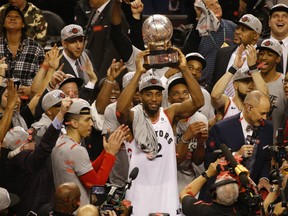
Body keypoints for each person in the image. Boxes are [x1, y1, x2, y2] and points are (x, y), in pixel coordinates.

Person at [116, 48, 204, 215]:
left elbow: (198, 102)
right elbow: (120, 111)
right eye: (148, 94)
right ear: (140, 96)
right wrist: (138, 73)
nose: (154, 99)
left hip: (166, 189)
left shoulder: (170, 114)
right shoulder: (135, 116)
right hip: (139, 191)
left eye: (157, 94)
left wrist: (184, 69)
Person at [1, 96, 72, 215]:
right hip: (32, 210)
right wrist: (60, 115)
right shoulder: (21, 160)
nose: (33, 141)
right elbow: (45, 146)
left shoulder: (16, 159)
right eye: (28, 140)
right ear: (21, 147)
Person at [51, 98, 129, 206]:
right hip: (79, 211)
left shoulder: (60, 141)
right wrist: (111, 154)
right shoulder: (77, 150)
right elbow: (97, 187)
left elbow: (86, 170)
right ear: (74, 123)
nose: (91, 124)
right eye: (87, 120)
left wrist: (105, 153)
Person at [205, 90, 273, 204]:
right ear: (249, 108)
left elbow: (266, 158)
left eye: (267, 113)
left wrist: (264, 178)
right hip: (224, 198)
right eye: (262, 113)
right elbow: (209, 163)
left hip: (251, 199)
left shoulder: (268, 128)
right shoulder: (221, 129)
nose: (265, 118)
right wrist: (236, 155)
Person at [182, 0, 236, 85]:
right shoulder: (198, 32)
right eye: (211, 5)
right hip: (204, 84)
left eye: (217, 3)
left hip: (229, 83)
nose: (217, 6)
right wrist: (199, 19)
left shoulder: (232, 27)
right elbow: (186, 54)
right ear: (204, 10)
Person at [211, 44, 268, 120]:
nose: (251, 86)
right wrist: (234, 67)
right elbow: (215, 96)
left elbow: (264, 96)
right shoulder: (227, 102)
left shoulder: (256, 106)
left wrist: (253, 68)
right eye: (246, 82)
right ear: (235, 85)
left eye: (253, 83)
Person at [211, 14, 263, 95]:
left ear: (255, 36)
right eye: (237, 28)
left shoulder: (262, 58)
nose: (237, 32)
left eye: (243, 30)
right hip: (222, 104)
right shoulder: (222, 53)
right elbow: (214, 81)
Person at [0, 6, 45, 97]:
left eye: (17, 17)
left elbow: (44, 78)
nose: (12, 18)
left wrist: (31, 89)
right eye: (8, 16)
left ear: (23, 24)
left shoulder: (35, 48)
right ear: (4, 24)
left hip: (27, 101)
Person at [85, 0, 128, 80]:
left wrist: (101, 81)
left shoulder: (115, 15)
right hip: (93, 73)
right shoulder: (95, 11)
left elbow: (112, 53)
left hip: (105, 76)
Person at [257, 38, 286, 138]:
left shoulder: (284, 83)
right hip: (247, 144)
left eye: (270, 55)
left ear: (278, 59)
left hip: (274, 144)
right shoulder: (249, 79)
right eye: (261, 53)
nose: (264, 58)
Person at [269, 4, 288, 74]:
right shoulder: (258, 46)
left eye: (284, 16)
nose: (280, 19)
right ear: (269, 23)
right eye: (275, 16)